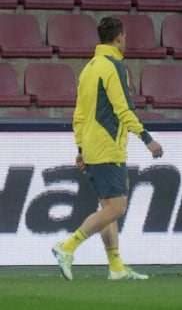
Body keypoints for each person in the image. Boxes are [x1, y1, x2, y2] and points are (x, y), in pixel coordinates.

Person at [52, 17, 163, 281]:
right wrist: (147, 138)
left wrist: (81, 148)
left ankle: (115, 267)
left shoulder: (88, 68)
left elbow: (79, 115)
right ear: (120, 37)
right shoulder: (114, 66)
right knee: (117, 208)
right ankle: (67, 247)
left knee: (107, 208)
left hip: (91, 146)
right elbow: (123, 109)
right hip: (108, 147)